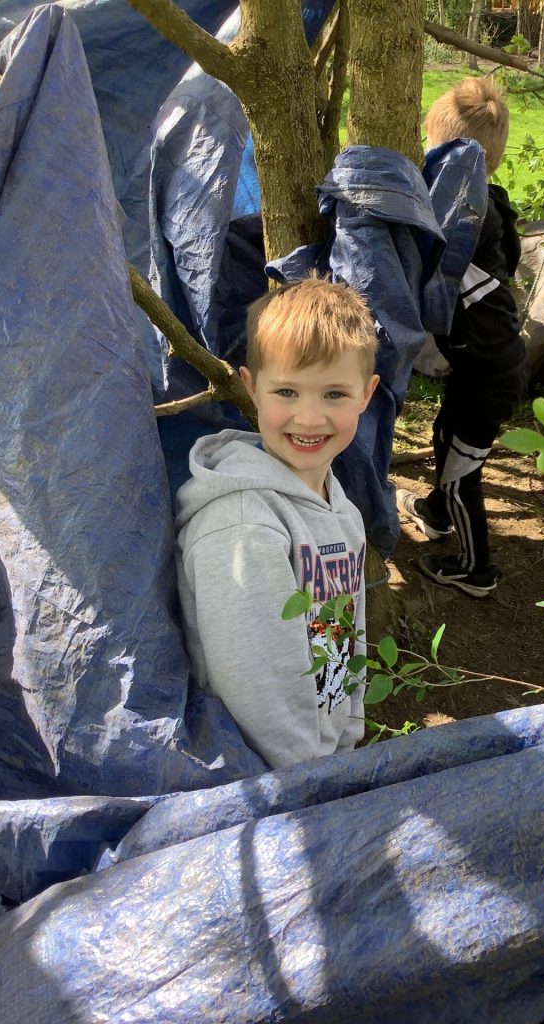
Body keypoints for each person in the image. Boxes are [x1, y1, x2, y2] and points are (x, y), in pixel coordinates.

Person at [175, 278, 380, 770]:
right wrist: (311, 777)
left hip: (322, 761)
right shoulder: (244, 525)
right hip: (264, 776)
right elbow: (255, 686)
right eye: (286, 391)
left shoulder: (342, 510)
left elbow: (343, 633)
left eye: (334, 393)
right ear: (251, 387)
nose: (308, 418)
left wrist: (347, 739)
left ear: (367, 394)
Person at [397, 76, 527, 598]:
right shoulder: (487, 201)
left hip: (489, 374)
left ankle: (477, 570)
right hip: (480, 365)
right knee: (445, 437)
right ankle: (436, 512)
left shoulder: (463, 217)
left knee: (460, 475)